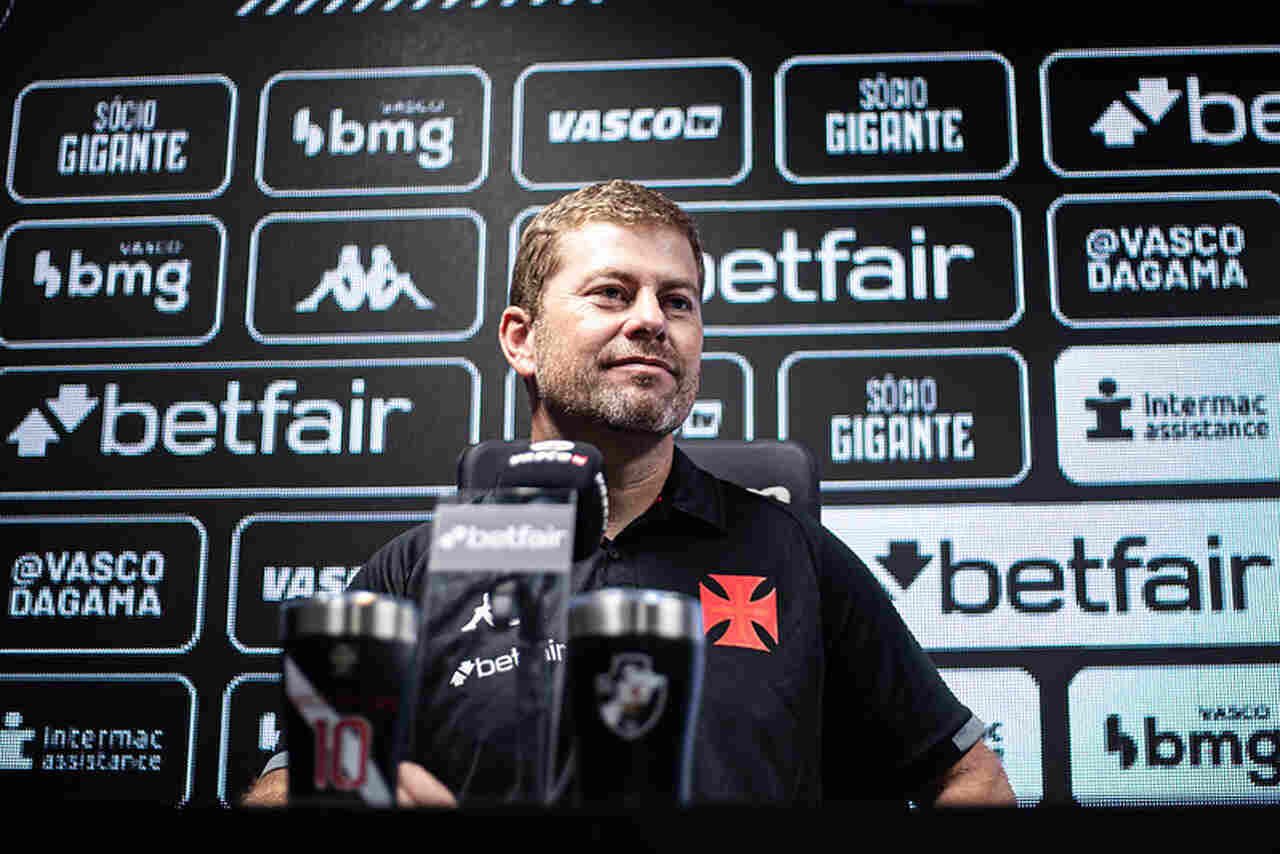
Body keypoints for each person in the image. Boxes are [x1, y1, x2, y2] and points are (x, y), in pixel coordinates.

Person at [243, 179, 1015, 808]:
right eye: (612, 293)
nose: (652, 320)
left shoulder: (798, 557)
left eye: (678, 301)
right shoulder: (414, 572)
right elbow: (287, 786)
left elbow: (968, 776)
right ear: (521, 339)